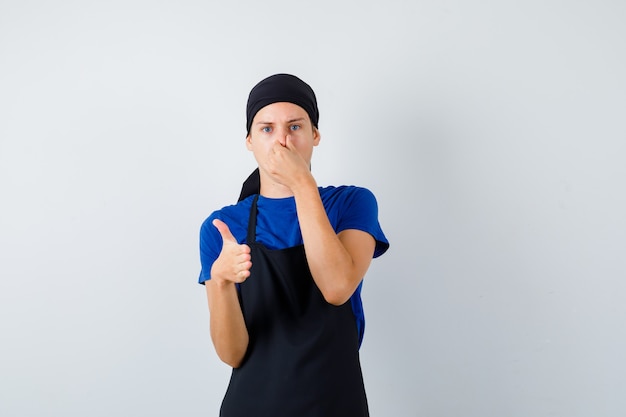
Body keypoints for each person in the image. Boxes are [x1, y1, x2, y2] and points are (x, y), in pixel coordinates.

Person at [198, 73, 389, 416]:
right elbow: (232, 353)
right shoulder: (222, 226)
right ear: (249, 141)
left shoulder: (351, 204)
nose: (282, 141)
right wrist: (222, 281)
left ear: (315, 135)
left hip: (335, 405)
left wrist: (302, 184)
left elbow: (336, 287)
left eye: (295, 126)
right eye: (267, 128)